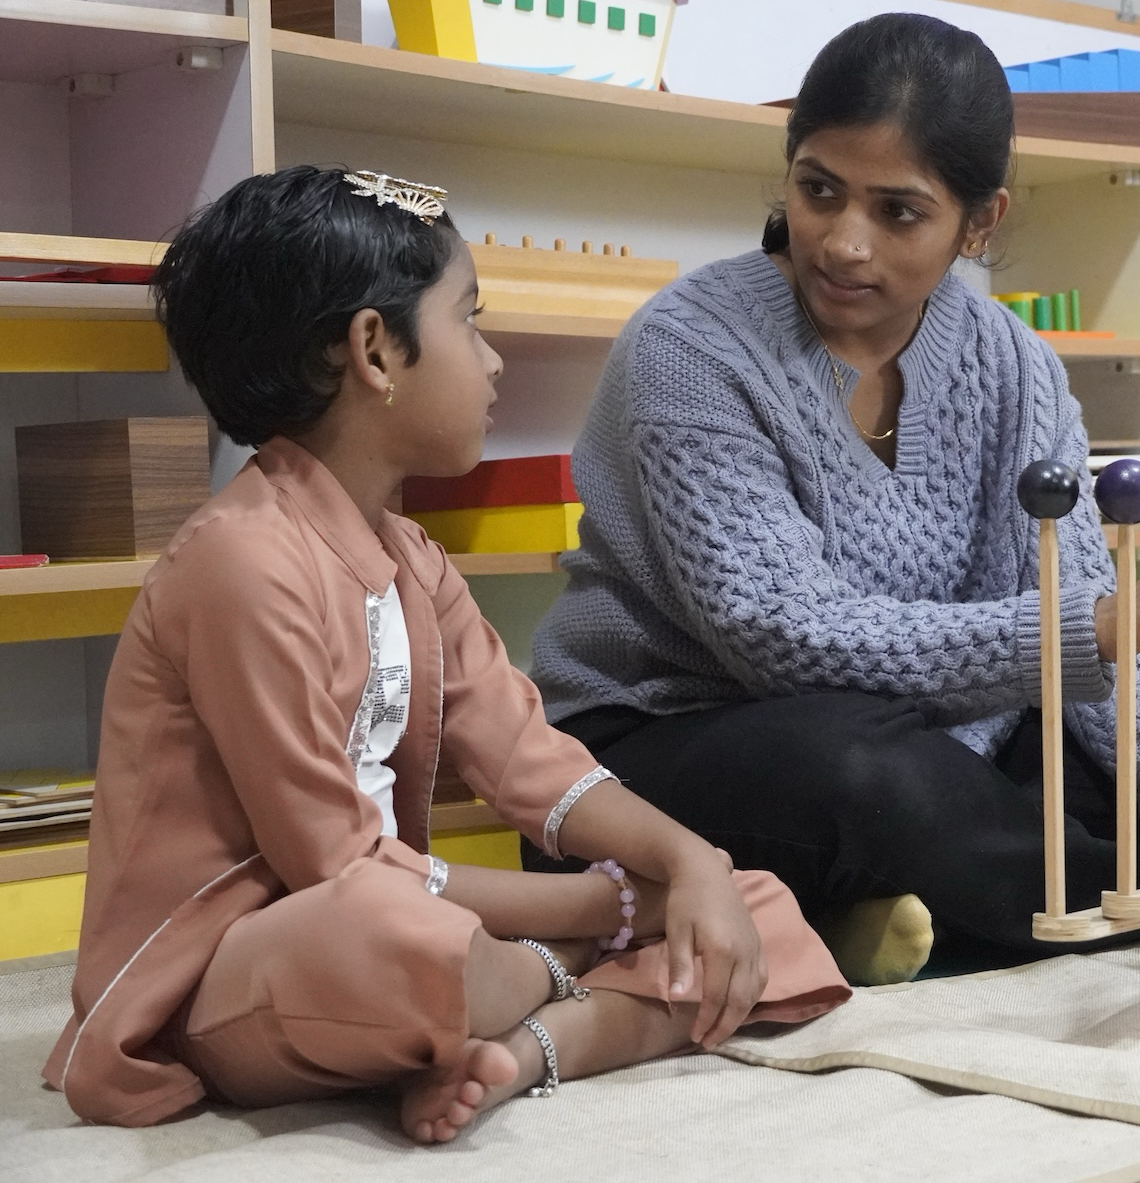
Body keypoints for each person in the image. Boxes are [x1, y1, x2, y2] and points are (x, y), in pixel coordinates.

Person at [44, 167, 847, 1140]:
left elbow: (528, 759)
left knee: (753, 903)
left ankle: (525, 1049)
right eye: (469, 320)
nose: (493, 359)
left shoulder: (411, 557)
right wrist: (599, 908)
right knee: (392, 938)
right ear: (376, 352)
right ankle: (562, 979)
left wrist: (689, 860)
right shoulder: (240, 563)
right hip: (233, 972)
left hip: (409, 920)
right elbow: (335, 867)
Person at [528, 13, 1140, 984]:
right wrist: (1098, 629)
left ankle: (900, 914)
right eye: (818, 190)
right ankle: (1119, 906)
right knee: (865, 770)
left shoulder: (1012, 365)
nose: (846, 243)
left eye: (898, 211)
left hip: (936, 738)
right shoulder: (690, 348)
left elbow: (1088, 628)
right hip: (667, 746)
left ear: (980, 221)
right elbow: (781, 636)